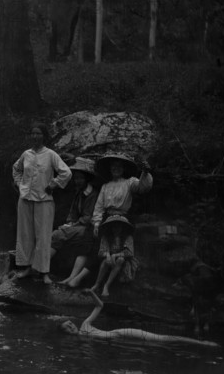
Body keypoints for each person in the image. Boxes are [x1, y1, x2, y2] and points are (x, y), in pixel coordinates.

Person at [12, 123, 72, 284]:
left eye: (38, 133)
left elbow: (66, 172)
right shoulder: (26, 154)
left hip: (44, 200)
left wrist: (53, 184)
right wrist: (20, 184)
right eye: (33, 133)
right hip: (25, 198)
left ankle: (43, 271)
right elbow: (16, 169)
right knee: (25, 235)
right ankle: (26, 268)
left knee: (43, 236)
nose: (35, 136)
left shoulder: (51, 154)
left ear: (44, 136)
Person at [60, 289, 219, 348]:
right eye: (67, 327)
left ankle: (202, 343)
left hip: (121, 333)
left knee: (163, 339)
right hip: (122, 342)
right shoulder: (78, 342)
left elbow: (99, 306)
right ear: (65, 334)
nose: (71, 326)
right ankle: (199, 344)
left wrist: (92, 294)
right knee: (156, 344)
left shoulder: (84, 326)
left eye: (70, 323)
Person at [51, 157, 100, 288]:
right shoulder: (78, 193)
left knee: (56, 235)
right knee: (57, 233)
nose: (77, 181)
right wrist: (68, 223)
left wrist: (72, 225)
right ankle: (41, 269)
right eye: (76, 178)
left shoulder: (92, 194)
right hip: (78, 226)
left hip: (87, 227)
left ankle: (43, 269)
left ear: (86, 179)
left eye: (80, 178)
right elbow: (72, 213)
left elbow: (88, 217)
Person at [91, 152, 153, 238]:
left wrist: (145, 172)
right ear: (110, 168)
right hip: (107, 219)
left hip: (124, 219)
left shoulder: (129, 182)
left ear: (124, 168)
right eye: (114, 165)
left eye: (119, 166)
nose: (116, 168)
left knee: (124, 244)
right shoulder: (105, 186)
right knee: (106, 244)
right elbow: (99, 207)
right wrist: (97, 223)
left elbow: (143, 187)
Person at [91, 215, 138, 297]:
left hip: (124, 261)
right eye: (114, 226)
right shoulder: (106, 237)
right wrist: (108, 255)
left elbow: (130, 253)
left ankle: (106, 286)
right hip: (109, 259)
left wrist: (116, 255)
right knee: (105, 261)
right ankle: (96, 285)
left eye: (119, 226)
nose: (116, 229)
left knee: (120, 259)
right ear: (111, 227)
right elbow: (101, 251)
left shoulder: (128, 237)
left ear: (122, 227)